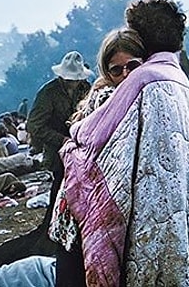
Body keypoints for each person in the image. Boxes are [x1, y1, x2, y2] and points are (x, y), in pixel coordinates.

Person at [60, 0, 189, 286]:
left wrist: (72, 139)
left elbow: (90, 133)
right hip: (180, 198)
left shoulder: (144, 78)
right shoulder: (177, 77)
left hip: (150, 207)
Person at [49, 27, 146, 286]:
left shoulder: (98, 94)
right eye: (117, 70)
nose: (126, 75)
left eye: (133, 66)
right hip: (83, 214)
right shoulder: (108, 98)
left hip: (84, 207)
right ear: (107, 73)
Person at [26, 51, 92, 228]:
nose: (74, 82)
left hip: (81, 149)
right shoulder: (48, 93)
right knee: (59, 190)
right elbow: (34, 125)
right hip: (58, 153)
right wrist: (61, 140)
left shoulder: (86, 88)